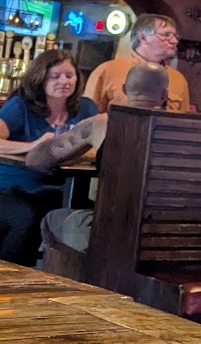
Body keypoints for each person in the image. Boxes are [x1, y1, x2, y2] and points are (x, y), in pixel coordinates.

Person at [0, 49, 100, 264]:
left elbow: (99, 145)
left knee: (91, 219)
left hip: (56, 192)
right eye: (55, 76)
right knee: (27, 217)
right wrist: (33, 146)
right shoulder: (21, 106)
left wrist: (73, 151)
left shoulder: (85, 108)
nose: (64, 81)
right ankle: (8, 281)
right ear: (40, 77)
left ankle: (64, 280)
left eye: (70, 75)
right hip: (3, 191)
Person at [28, 64, 172, 255]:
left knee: (52, 219)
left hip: (110, 229)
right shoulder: (184, 129)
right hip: (166, 233)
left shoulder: (102, 123)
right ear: (165, 94)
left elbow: (36, 160)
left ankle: (73, 282)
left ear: (123, 90)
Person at [83, 14, 191, 113]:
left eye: (175, 36)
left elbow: (183, 125)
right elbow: (88, 119)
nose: (174, 41)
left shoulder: (178, 79)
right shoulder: (107, 71)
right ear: (143, 37)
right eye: (166, 35)